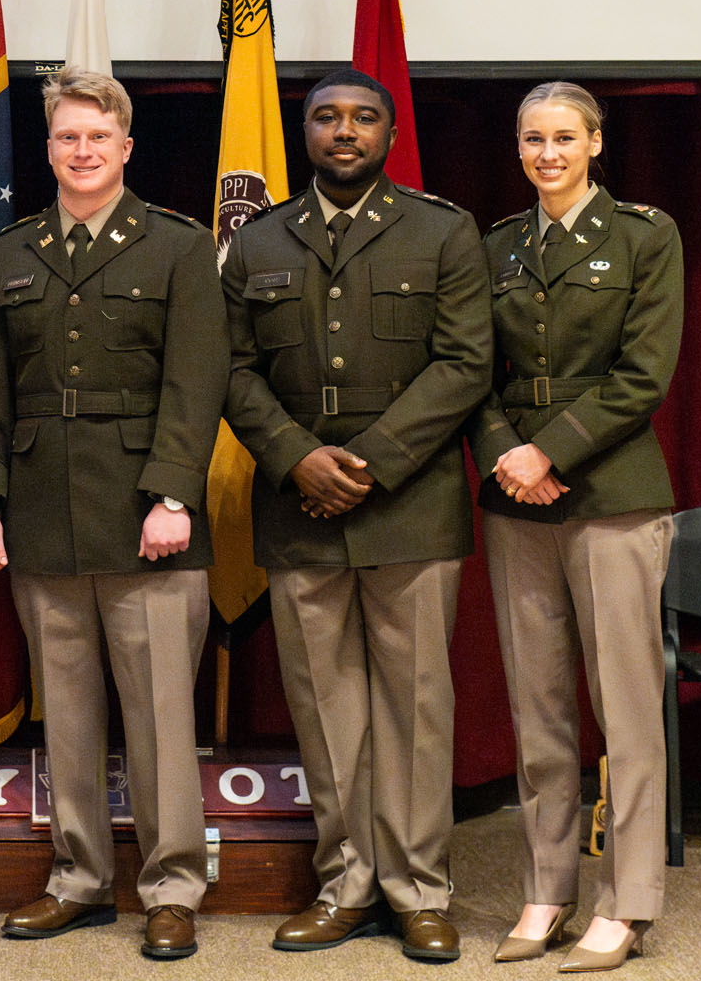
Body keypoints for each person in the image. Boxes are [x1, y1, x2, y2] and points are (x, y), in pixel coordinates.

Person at [221, 67, 491, 964]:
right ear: (306, 135)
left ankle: (419, 890)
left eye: (363, 117)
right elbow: (230, 369)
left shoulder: (442, 230)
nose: (345, 131)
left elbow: (462, 364)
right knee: (326, 705)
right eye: (327, 118)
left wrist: (365, 464)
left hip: (408, 505)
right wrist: (299, 456)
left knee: (416, 705)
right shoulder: (259, 241)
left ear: (388, 132)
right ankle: (347, 883)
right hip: (299, 506)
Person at [0, 68, 228, 962]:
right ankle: (75, 878)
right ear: (49, 150)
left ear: (125, 148)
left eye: (97, 139)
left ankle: (171, 885)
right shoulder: (11, 251)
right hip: (41, 512)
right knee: (66, 714)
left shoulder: (179, 246)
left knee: (159, 716)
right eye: (67, 139)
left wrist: (173, 494)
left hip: (148, 515)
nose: (82, 152)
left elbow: (197, 384)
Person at [469, 82, 682, 974]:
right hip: (518, 503)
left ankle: (626, 903)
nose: (547, 153)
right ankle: (547, 890)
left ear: (596, 142)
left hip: (613, 496)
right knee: (540, 709)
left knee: (626, 712)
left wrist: (549, 451)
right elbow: (471, 373)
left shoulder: (644, 235)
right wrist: (507, 453)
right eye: (531, 139)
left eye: (564, 137)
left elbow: (644, 373)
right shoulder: (497, 247)